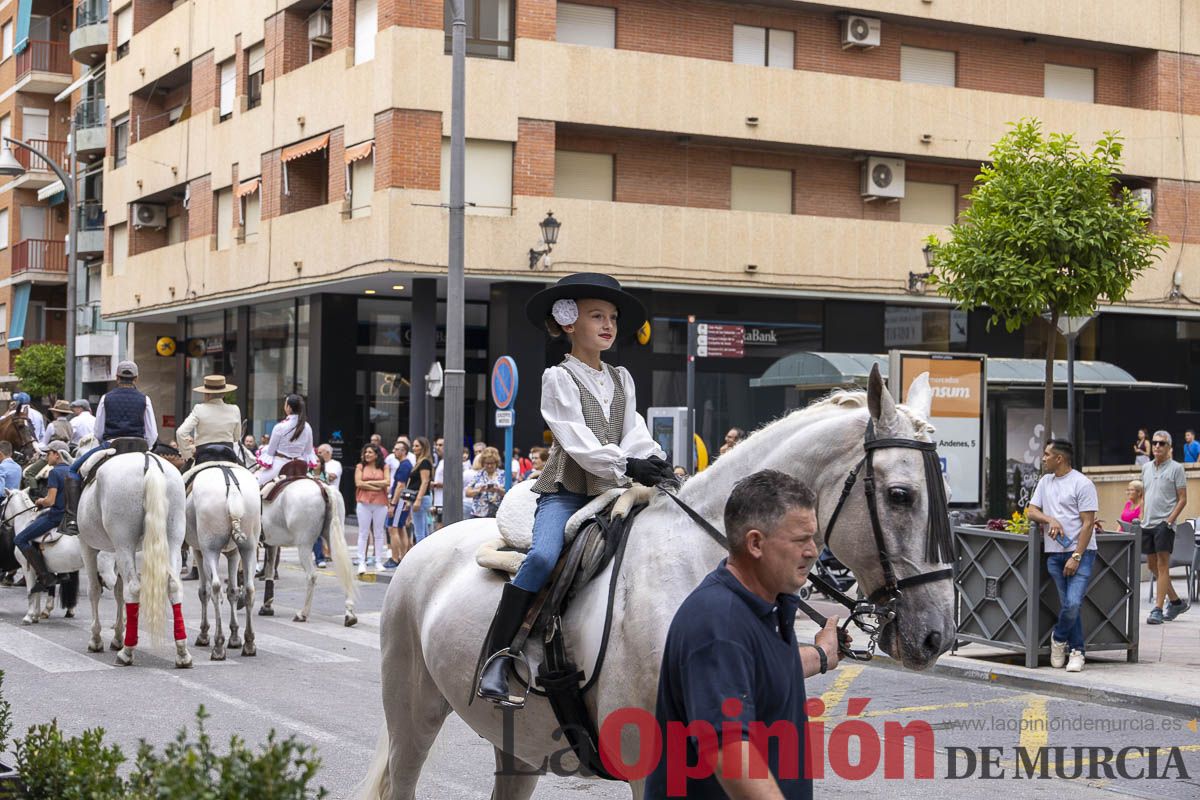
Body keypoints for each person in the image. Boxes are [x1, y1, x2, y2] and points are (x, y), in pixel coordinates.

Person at [477, 272, 673, 705]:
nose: (608, 325)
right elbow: (578, 440)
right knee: (543, 556)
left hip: (617, 488)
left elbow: (634, 431)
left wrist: (654, 461)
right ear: (569, 323)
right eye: (596, 316)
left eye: (612, 318)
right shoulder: (558, 378)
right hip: (568, 490)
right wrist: (627, 462)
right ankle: (496, 657)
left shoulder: (622, 377)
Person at [647, 470, 840, 799]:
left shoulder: (768, 604)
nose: (812, 551)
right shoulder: (718, 623)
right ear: (755, 543)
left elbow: (762, 670)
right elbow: (729, 752)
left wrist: (822, 655)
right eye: (800, 540)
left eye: (814, 539)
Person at [1026, 440, 1099, 673]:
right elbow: (1031, 510)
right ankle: (1075, 650)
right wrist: (1050, 520)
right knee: (1068, 604)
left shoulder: (1082, 483)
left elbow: (1088, 524)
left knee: (1073, 602)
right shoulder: (1045, 482)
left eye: (1047, 454)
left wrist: (1076, 556)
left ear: (1060, 458)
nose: (1043, 458)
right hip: (1054, 554)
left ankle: (1061, 640)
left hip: (1081, 553)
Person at [63, 360, 158, 536]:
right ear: (136, 378)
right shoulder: (145, 399)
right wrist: (148, 448)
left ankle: (72, 519)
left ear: (116, 377)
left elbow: (98, 431)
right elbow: (152, 433)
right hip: (140, 447)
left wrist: (103, 444)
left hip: (112, 445)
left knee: (73, 470)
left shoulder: (107, 398)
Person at [1138, 430, 1190, 624]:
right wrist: (1142, 515)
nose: (1158, 446)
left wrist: (1170, 520)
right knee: (1152, 566)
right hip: (1147, 523)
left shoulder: (1177, 468)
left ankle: (1158, 609)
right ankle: (1176, 602)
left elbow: (1183, 499)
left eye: (1162, 443)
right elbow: (1145, 494)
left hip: (1164, 524)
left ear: (1169, 448)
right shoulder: (1146, 468)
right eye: (1155, 443)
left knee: (1162, 565)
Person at [15, 441, 72, 593]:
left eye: (48, 453)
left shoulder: (54, 472)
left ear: (56, 455)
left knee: (19, 539)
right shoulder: (73, 470)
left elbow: (50, 501)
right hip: (70, 515)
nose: (46, 457)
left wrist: (40, 501)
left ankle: (46, 576)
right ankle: (62, 571)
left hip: (56, 516)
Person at [175, 376, 242, 466]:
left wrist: (187, 453)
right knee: (248, 474)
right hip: (228, 454)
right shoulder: (235, 409)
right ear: (224, 394)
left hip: (203, 455)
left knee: (182, 479)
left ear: (207, 394)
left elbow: (181, 432)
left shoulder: (199, 408)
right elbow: (236, 438)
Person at [256, 394, 317, 485]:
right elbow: (308, 452)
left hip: (280, 464)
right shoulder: (307, 427)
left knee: (255, 482)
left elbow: (270, 452)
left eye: (285, 404)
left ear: (289, 408)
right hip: (300, 466)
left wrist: (262, 450)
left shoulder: (280, 426)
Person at [354, 444, 391, 574]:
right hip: (364, 502)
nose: (367, 455)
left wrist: (368, 483)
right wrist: (376, 486)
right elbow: (358, 483)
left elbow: (387, 482)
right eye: (366, 453)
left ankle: (378, 561)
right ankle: (361, 561)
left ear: (376, 455)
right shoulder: (360, 466)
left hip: (381, 503)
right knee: (363, 532)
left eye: (370, 452)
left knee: (379, 533)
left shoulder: (384, 466)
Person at [312, 443, 343, 567]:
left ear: (328, 453)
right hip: (315, 503)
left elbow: (332, 477)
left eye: (320, 452)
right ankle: (321, 555)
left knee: (332, 528)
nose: (318, 454)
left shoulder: (335, 464)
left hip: (332, 501)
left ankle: (332, 553)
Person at [385, 444, 414, 567]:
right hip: (402, 501)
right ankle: (403, 557)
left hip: (399, 501)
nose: (394, 451)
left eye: (396, 449)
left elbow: (400, 486)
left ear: (404, 451)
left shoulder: (404, 465)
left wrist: (393, 504)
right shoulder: (405, 465)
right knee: (401, 529)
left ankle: (395, 558)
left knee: (393, 528)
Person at [402, 437, 434, 544]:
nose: (414, 448)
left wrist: (418, 500)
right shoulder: (420, 461)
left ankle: (423, 556)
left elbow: (425, 482)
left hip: (421, 498)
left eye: (417, 446)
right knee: (423, 530)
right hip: (419, 497)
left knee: (419, 531)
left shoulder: (424, 462)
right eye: (414, 445)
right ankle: (426, 554)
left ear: (423, 448)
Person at [466, 446, 506, 518]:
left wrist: (498, 490)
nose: (489, 466)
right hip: (478, 514)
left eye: (492, 463)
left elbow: (510, 493)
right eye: (487, 463)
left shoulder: (503, 475)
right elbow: (467, 493)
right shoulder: (478, 475)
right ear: (483, 463)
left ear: (496, 463)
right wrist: (479, 490)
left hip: (498, 514)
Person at [431, 438, 445, 531]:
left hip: (444, 500)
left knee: (440, 528)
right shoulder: (440, 461)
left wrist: (436, 484)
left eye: (440, 445)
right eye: (437, 445)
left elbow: (453, 482)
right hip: (438, 499)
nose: (437, 447)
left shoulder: (448, 461)